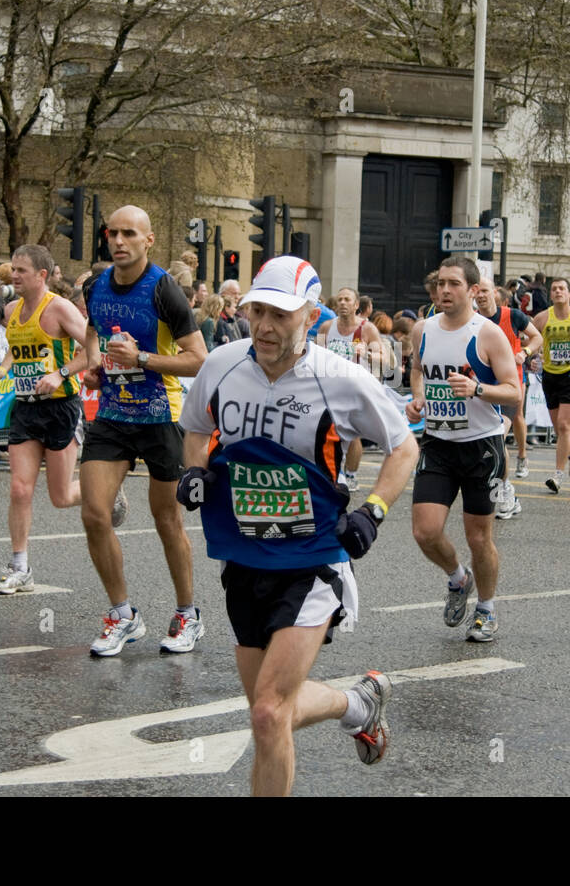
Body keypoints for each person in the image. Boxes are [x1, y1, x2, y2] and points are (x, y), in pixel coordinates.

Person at [177, 256, 417, 796]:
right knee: (271, 714)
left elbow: (405, 446)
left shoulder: (341, 379)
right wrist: (194, 471)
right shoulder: (221, 364)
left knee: (267, 712)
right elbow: (194, 428)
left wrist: (372, 511)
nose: (264, 325)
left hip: (311, 561)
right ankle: (357, 703)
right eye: (257, 310)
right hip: (242, 558)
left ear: (309, 316)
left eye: (280, 315)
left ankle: (357, 703)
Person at [80, 205, 207, 656]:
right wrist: (97, 365)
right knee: (95, 513)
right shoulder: (95, 285)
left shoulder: (163, 289)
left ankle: (187, 613)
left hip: (162, 416)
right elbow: (93, 335)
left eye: (129, 234)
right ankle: (122, 614)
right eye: (112, 233)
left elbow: (199, 358)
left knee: (166, 519)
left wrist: (142, 361)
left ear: (148, 240)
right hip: (114, 415)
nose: (118, 241)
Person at [0, 244, 118, 595]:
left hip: (61, 408)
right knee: (19, 488)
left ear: (42, 275)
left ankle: (108, 494)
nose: (13, 275)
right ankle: (19, 566)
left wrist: (60, 373)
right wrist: (2, 369)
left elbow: (93, 352)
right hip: (27, 408)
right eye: (12, 269)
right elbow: (18, 346)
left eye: (21, 271)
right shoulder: (12, 310)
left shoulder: (59, 309)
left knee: (59, 497)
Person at [407, 255, 522, 642]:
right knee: (425, 532)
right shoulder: (422, 329)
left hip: (481, 449)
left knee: (478, 537)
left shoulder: (487, 334)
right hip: (438, 443)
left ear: (473, 290)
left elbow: (514, 391)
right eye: (440, 283)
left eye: (453, 283)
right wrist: (418, 397)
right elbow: (418, 369)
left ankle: (487, 608)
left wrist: (477, 389)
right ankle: (459, 579)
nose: (443, 290)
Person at [474, 276, 541, 506]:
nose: (481, 295)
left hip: (511, 386)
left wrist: (525, 352)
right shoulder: (472, 321)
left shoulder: (513, 316)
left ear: (494, 292)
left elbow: (537, 336)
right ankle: (505, 488)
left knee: (497, 437)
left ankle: (507, 490)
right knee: (488, 443)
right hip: (483, 389)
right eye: (477, 292)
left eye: (485, 290)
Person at [317, 286, 385, 493]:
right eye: (340, 300)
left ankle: (352, 474)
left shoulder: (367, 329)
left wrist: (368, 354)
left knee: (353, 433)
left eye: (347, 299)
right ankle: (331, 471)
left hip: (357, 387)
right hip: (331, 387)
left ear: (356, 305)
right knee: (328, 430)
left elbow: (384, 359)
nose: (343, 303)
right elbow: (317, 357)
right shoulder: (327, 327)